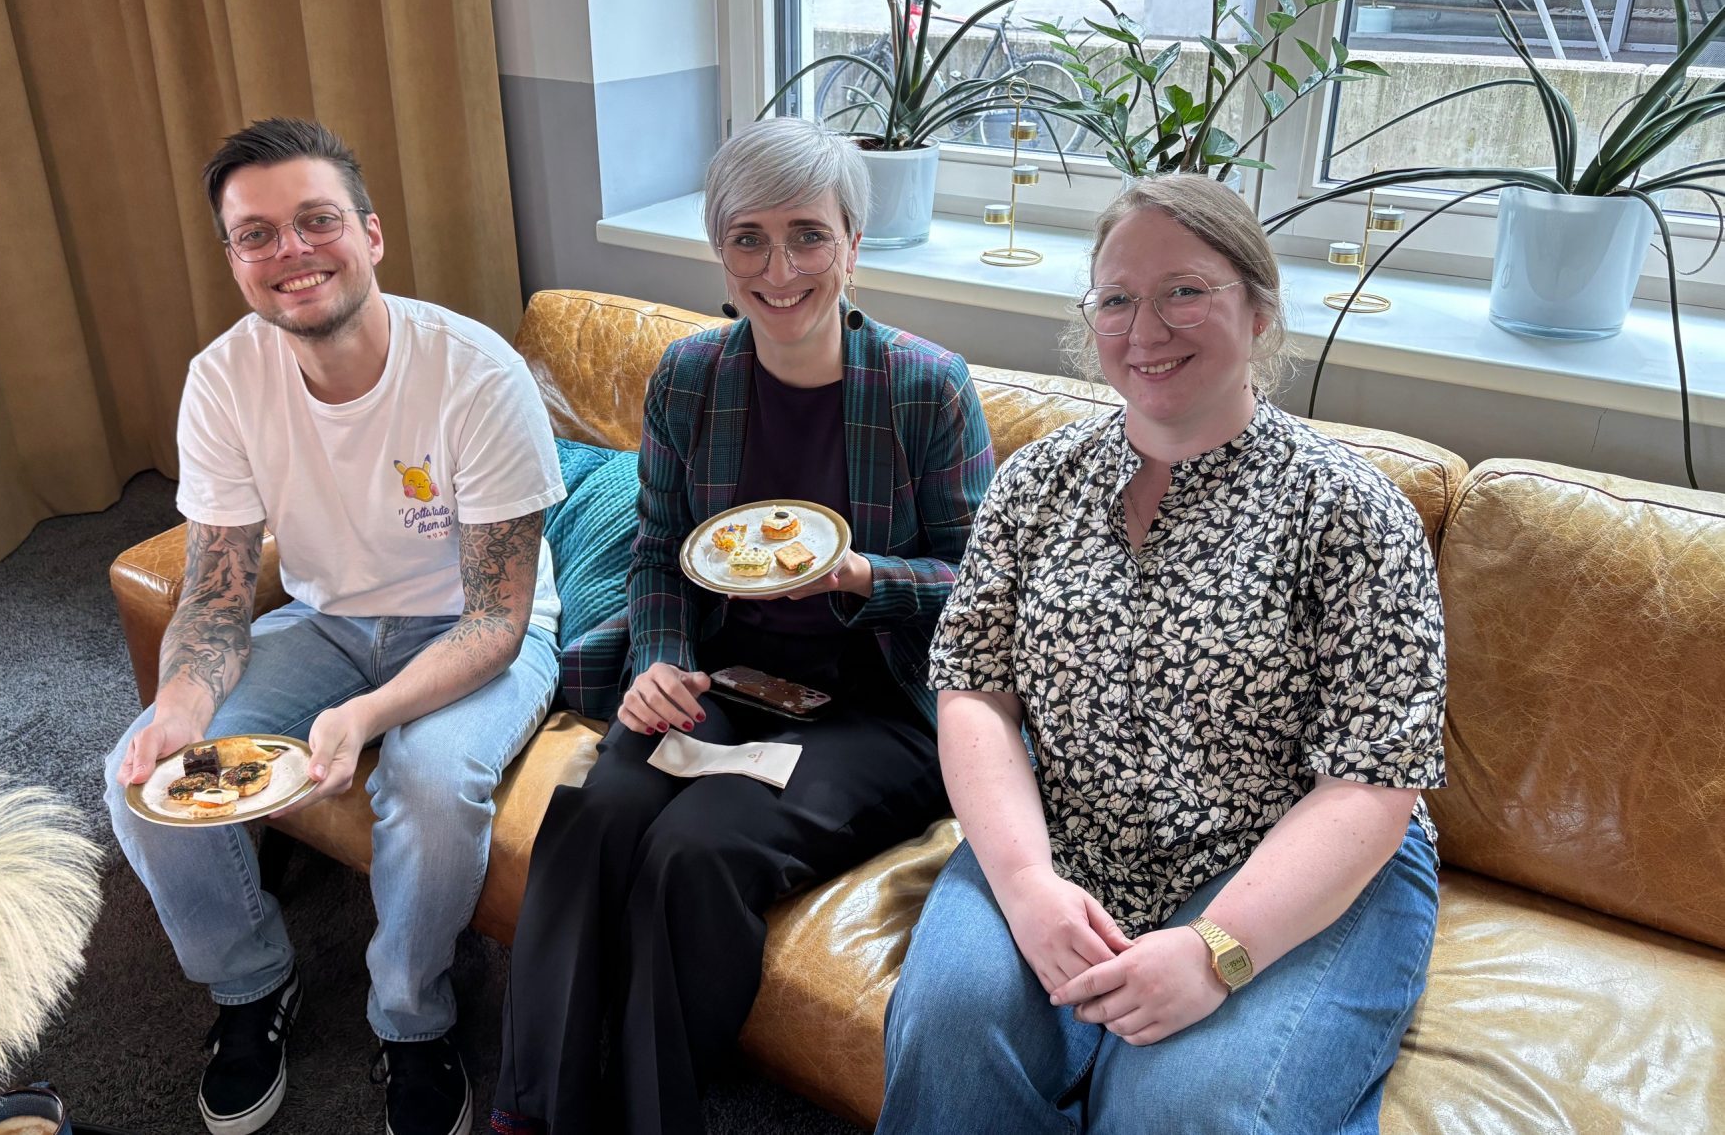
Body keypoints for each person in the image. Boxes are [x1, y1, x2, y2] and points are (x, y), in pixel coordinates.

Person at [877, 173, 1447, 1135]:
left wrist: (1219, 948)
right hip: (1064, 840)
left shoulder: (1351, 513)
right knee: (949, 1024)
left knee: (1180, 1108)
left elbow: (1372, 784)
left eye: (1185, 290)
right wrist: (1024, 885)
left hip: (1290, 866)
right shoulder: (1038, 481)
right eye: (1116, 298)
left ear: (1260, 311)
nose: (1146, 328)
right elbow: (975, 691)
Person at [487, 118, 994, 1135]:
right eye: (748, 237)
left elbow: (981, 583)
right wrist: (662, 658)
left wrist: (861, 575)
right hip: (721, 683)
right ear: (720, 250)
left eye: (807, 233)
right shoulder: (690, 378)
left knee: (696, 850)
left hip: (871, 708)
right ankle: (532, 1112)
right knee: (589, 817)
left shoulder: (923, 386)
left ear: (852, 242)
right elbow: (660, 549)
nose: (779, 265)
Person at [104, 117, 565, 1135]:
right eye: (256, 234)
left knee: (431, 786)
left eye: (316, 221)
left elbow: (498, 614)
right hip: (324, 622)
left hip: (478, 629)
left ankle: (411, 1018)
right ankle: (250, 981)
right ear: (233, 259)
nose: (291, 252)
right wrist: (183, 699)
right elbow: (218, 590)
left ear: (371, 234)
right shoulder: (223, 381)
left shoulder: (475, 375)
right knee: (137, 779)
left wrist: (367, 715)